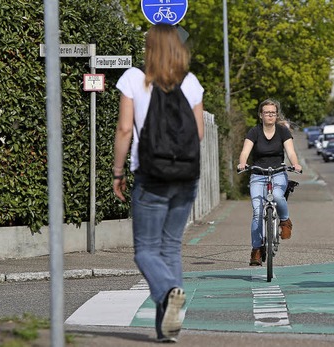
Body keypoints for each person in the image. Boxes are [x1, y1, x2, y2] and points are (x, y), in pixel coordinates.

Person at [112, 24, 204, 343]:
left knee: (146, 251)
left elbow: (125, 131)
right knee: (170, 247)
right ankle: (168, 329)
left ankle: (168, 291)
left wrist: (117, 172)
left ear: (149, 48)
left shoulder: (133, 79)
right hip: (186, 177)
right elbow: (199, 133)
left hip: (151, 176)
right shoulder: (191, 82)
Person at [237, 99, 303, 266]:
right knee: (258, 212)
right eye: (267, 113)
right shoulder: (254, 132)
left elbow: (291, 152)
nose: (270, 115)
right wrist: (242, 162)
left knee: (279, 196)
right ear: (261, 115)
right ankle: (256, 250)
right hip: (258, 174)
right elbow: (245, 152)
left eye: (273, 113)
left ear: (276, 115)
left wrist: (295, 164)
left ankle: (285, 220)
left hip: (278, 173)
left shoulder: (282, 132)